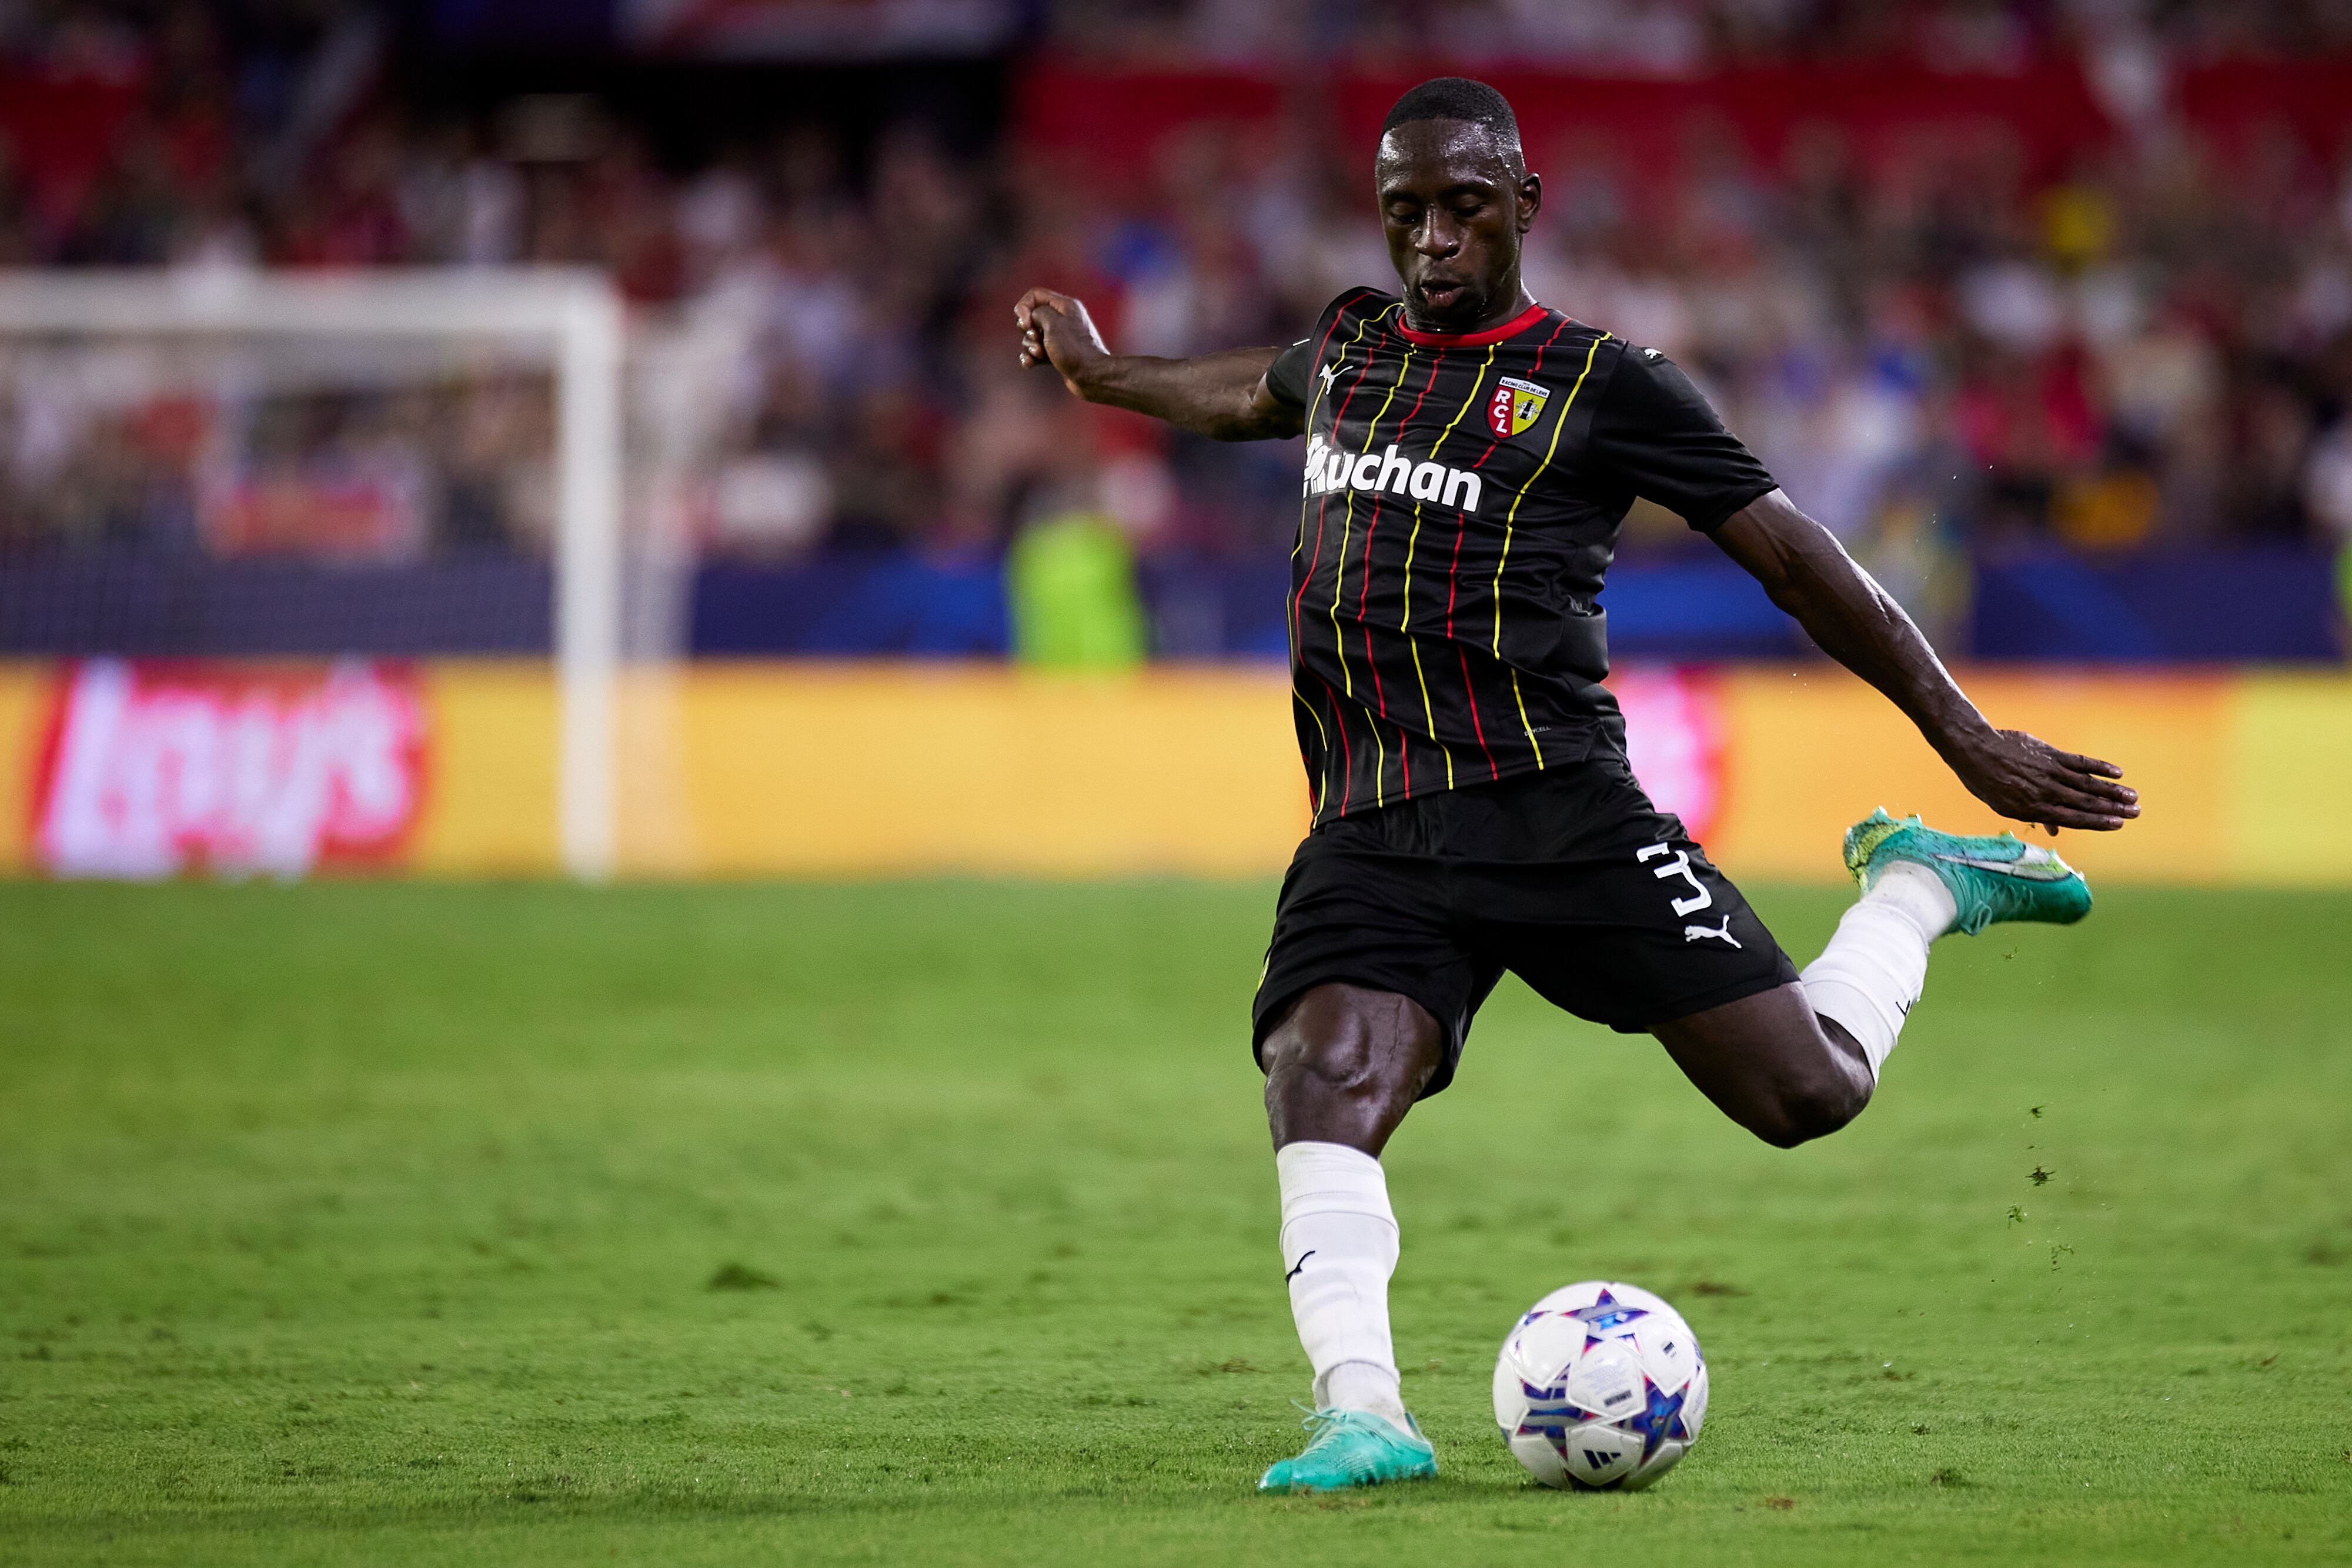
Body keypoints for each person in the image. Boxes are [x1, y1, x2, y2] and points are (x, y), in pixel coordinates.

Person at [1013, 77, 2138, 1493]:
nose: (1430, 240)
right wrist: (1106, 374)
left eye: (1462, 208)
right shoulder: (1351, 347)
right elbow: (1246, 388)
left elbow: (1795, 558)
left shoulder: (1608, 386)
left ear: (1524, 207)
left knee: (1805, 1093)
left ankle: (1916, 884)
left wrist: (1958, 731)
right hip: (1373, 820)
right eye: (1403, 211)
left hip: (1557, 811)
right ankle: (1362, 1411)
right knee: (1323, 1076)